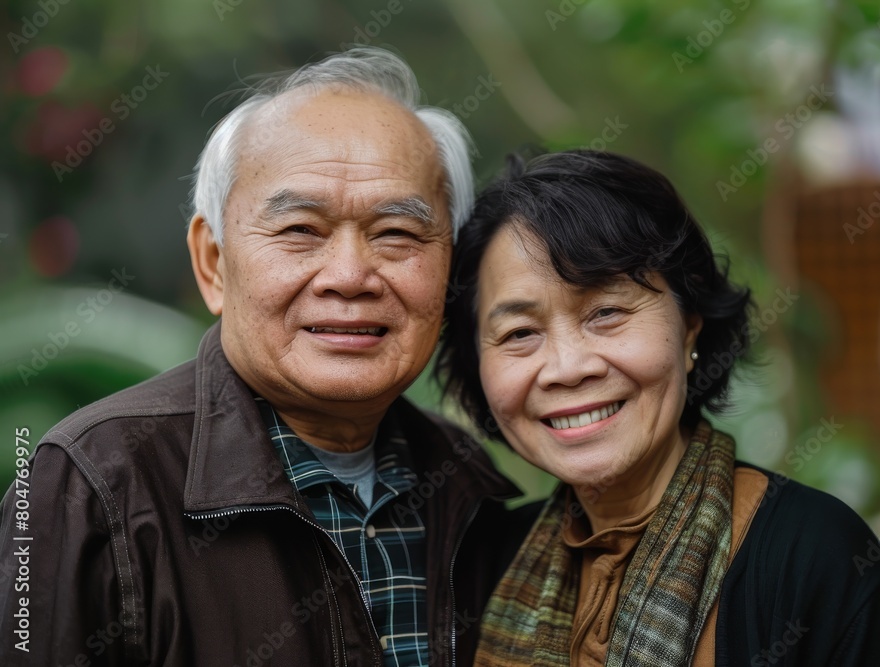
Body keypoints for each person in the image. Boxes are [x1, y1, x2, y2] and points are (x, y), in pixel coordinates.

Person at [0, 47, 534, 666]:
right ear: (213, 262)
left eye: (397, 233)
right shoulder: (92, 483)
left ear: (449, 270)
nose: (350, 275)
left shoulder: (469, 490)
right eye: (300, 230)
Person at [436, 150, 880, 666]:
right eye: (519, 333)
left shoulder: (815, 556)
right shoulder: (481, 561)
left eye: (606, 312)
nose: (567, 367)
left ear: (690, 325)